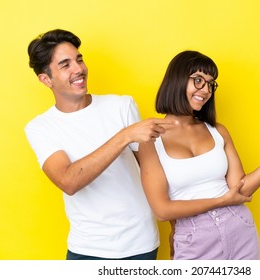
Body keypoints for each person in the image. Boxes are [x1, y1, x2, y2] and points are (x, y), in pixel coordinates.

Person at [138, 50, 260, 260]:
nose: (206, 90)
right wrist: (221, 200)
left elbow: (241, 188)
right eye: (198, 80)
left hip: (239, 228)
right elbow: (162, 210)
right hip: (194, 238)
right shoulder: (150, 138)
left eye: (210, 83)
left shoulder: (217, 131)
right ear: (177, 79)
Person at [25, 29, 174, 260]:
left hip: (141, 244)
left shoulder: (121, 106)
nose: (79, 69)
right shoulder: (41, 127)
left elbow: (153, 171)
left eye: (79, 59)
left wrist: (178, 226)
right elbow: (68, 181)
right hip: (88, 249)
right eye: (65, 65)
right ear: (46, 79)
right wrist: (125, 136)